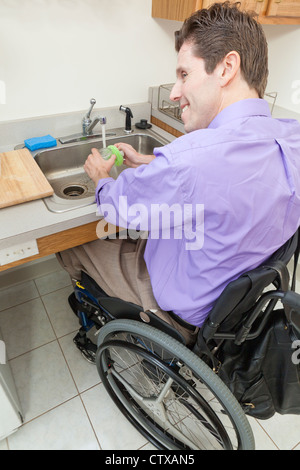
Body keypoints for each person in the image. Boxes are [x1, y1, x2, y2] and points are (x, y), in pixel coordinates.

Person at [57, 2, 300, 343]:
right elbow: (222, 182)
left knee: (74, 241)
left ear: (227, 67)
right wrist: (151, 163)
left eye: (184, 74)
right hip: (233, 309)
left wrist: (100, 176)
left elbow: (118, 207)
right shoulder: (292, 137)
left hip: (178, 308)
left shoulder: (190, 159)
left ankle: (90, 307)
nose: (174, 92)